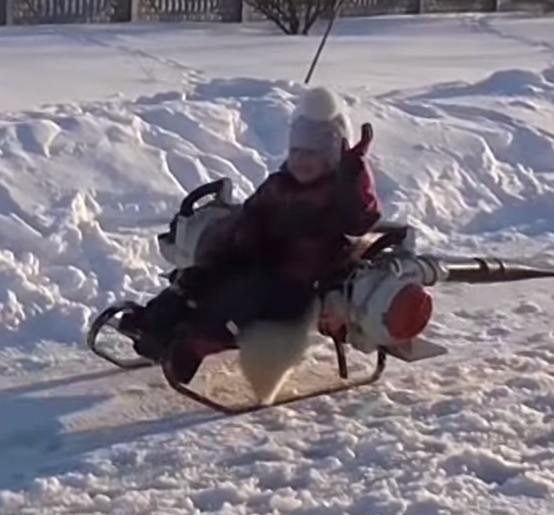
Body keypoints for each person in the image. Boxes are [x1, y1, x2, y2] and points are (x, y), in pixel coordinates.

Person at [128, 86, 382, 394]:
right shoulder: (279, 185)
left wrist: (353, 169)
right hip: (262, 265)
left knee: (238, 301)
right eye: (297, 151)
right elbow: (249, 217)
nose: (301, 160)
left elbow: (361, 218)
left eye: (311, 153)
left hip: (297, 287)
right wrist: (218, 254)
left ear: (331, 156)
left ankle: (192, 347)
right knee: (198, 280)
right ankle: (153, 323)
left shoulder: (337, 194)